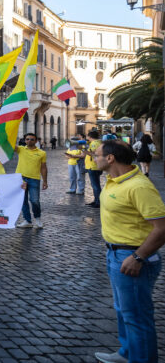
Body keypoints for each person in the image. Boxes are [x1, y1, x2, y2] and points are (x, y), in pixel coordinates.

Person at [92, 140, 165, 363]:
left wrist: (138, 257)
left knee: (136, 316)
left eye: (97, 155)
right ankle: (127, 352)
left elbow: (161, 228)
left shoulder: (139, 186)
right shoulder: (113, 180)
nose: (94, 158)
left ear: (110, 158)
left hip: (133, 256)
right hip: (115, 253)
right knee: (123, 310)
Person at [14, 133, 48, 229]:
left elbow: (43, 167)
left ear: (36, 141)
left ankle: (38, 219)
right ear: (25, 140)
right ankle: (27, 221)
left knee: (35, 200)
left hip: (34, 179)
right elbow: (9, 145)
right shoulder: (20, 149)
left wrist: (45, 181)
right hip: (20, 179)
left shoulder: (42, 153)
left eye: (32, 139)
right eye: (27, 139)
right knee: (23, 201)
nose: (29, 141)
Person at [84, 131, 103, 208]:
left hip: (93, 166)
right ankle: (96, 200)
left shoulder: (94, 143)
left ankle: (98, 202)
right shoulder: (97, 142)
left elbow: (94, 153)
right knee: (95, 184)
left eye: (87, 136)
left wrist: (84, 150)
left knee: (95, 185)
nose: (87, 137)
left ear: (90, 136)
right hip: (94, 166)